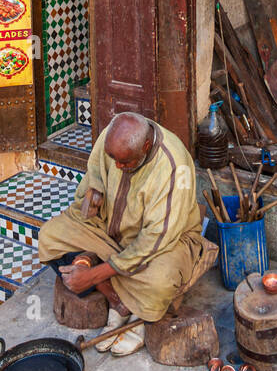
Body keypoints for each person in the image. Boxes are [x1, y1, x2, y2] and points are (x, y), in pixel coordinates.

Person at [36, 111, 202, 356]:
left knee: (160, 281)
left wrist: (92, 275)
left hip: (165, 243)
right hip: (110, 228)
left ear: (146, 146)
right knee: (50, 236)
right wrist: (96, 189)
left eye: (125, 163)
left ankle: (136, 309)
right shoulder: (112, 135)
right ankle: (118, 302)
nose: (118, 167)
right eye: (114, 160)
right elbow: (96, 165)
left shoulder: (175, 168)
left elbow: (154, 240)